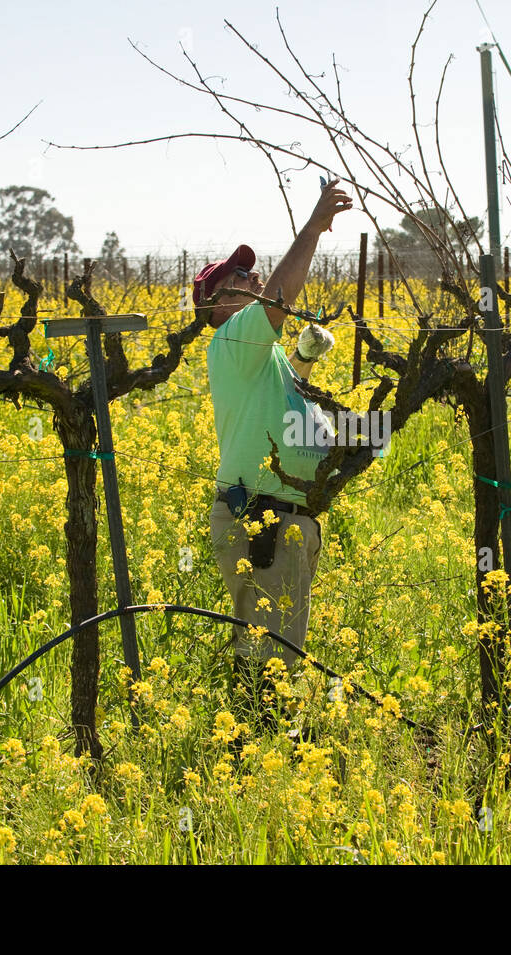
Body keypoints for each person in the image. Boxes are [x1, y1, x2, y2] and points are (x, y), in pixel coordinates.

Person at [196, 179, 353, 725]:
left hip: (284, 516)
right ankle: (255, 760)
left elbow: (280, 412)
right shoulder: (235, 339)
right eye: (243, 277)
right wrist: (313, 227)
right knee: (268, 665)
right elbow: (282, 296)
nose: (256, 278)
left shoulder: (260, 358)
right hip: (263, 517)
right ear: (217, 305)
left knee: (276, 655)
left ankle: (259, 754)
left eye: (254, 273)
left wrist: (304, 362)